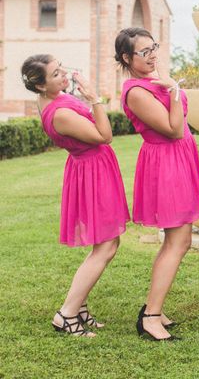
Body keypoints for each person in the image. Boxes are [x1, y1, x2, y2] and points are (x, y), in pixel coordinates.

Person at [21, 54, 129, 337]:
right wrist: (94, 99)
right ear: (41, 86)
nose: (64, 75)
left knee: (108, 243)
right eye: (56, 74)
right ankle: (66, 314)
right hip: (92, 173)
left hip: (91, 169)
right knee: (105, 246)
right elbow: (104, 135)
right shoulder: (60, 114)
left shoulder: (51, 99)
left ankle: (78, 306)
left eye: (61, 68)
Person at [116, 27, 199, 341]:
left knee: (177, 240)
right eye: (144, 51)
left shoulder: (155, 79)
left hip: (179, 159)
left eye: (153, 47)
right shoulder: (136, 91)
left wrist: (171, 90)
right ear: (127, 58)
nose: (153, 54)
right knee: (179, 240)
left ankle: (153, 309)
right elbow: (172, 128)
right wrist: (172, 91)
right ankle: (150, 317)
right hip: (166, 163)